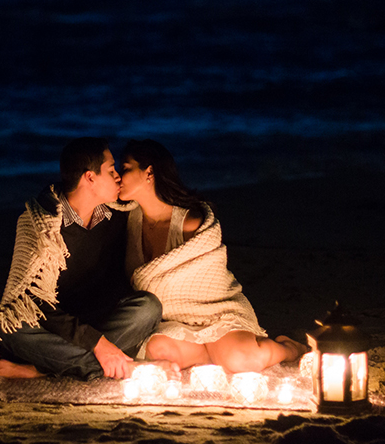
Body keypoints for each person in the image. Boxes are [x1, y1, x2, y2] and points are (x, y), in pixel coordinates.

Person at [0, 138, 164, 381]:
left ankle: (39, 370)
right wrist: (98, 344)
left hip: (97, 320)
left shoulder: (119, 215)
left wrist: (97, 338)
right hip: (53, 326)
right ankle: (107, 365)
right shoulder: (39, 225)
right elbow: (33, 303)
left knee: (149, 307)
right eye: (111, 171)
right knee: (10, 329)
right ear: (90, 177)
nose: (118, 177)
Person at [118, 139, 306, 373]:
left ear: (149, 172)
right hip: (176, 322)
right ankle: (214, 353)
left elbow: (209, 280)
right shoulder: (130, 220)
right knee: (158, 350)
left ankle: (290, 348)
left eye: (125, 168)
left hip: (218, 312)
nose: (118, 175)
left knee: (242, 362)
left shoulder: (190, 223)